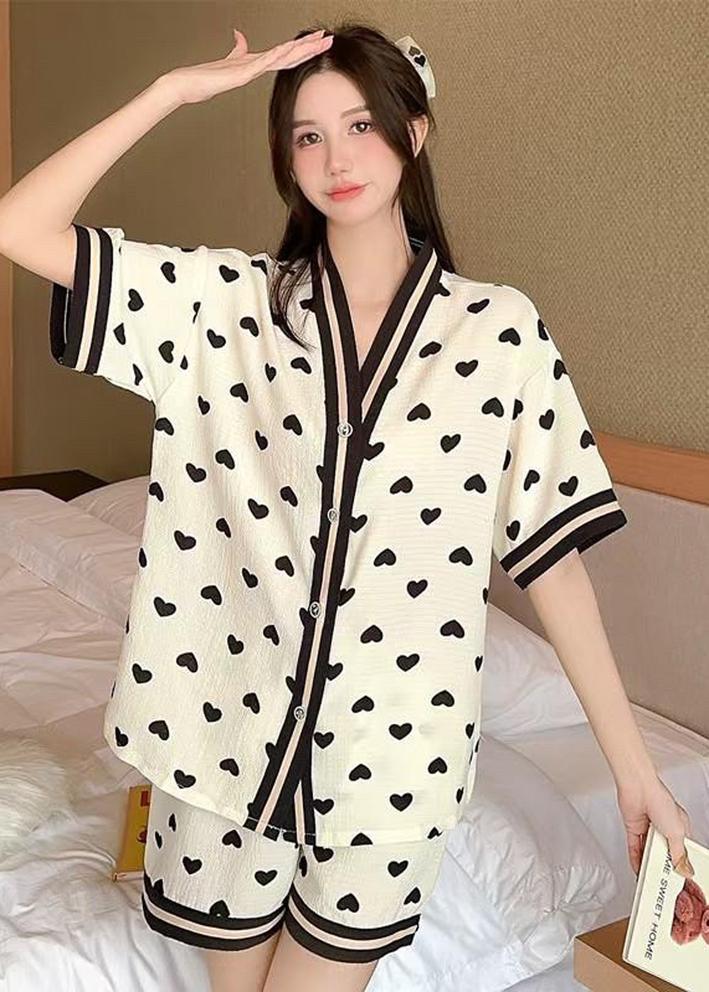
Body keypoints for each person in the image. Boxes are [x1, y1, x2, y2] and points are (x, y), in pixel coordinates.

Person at [0, 20, 691, 992]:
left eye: (361, 124)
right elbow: (21, 226)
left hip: (393, 771)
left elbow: (554, 565)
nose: (336, 158)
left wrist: (634, 771)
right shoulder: (225, 306)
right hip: (217, 747)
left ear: (415, 131)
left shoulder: (497, 337)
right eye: (307, 135)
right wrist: (171, 91)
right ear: (285, 160)